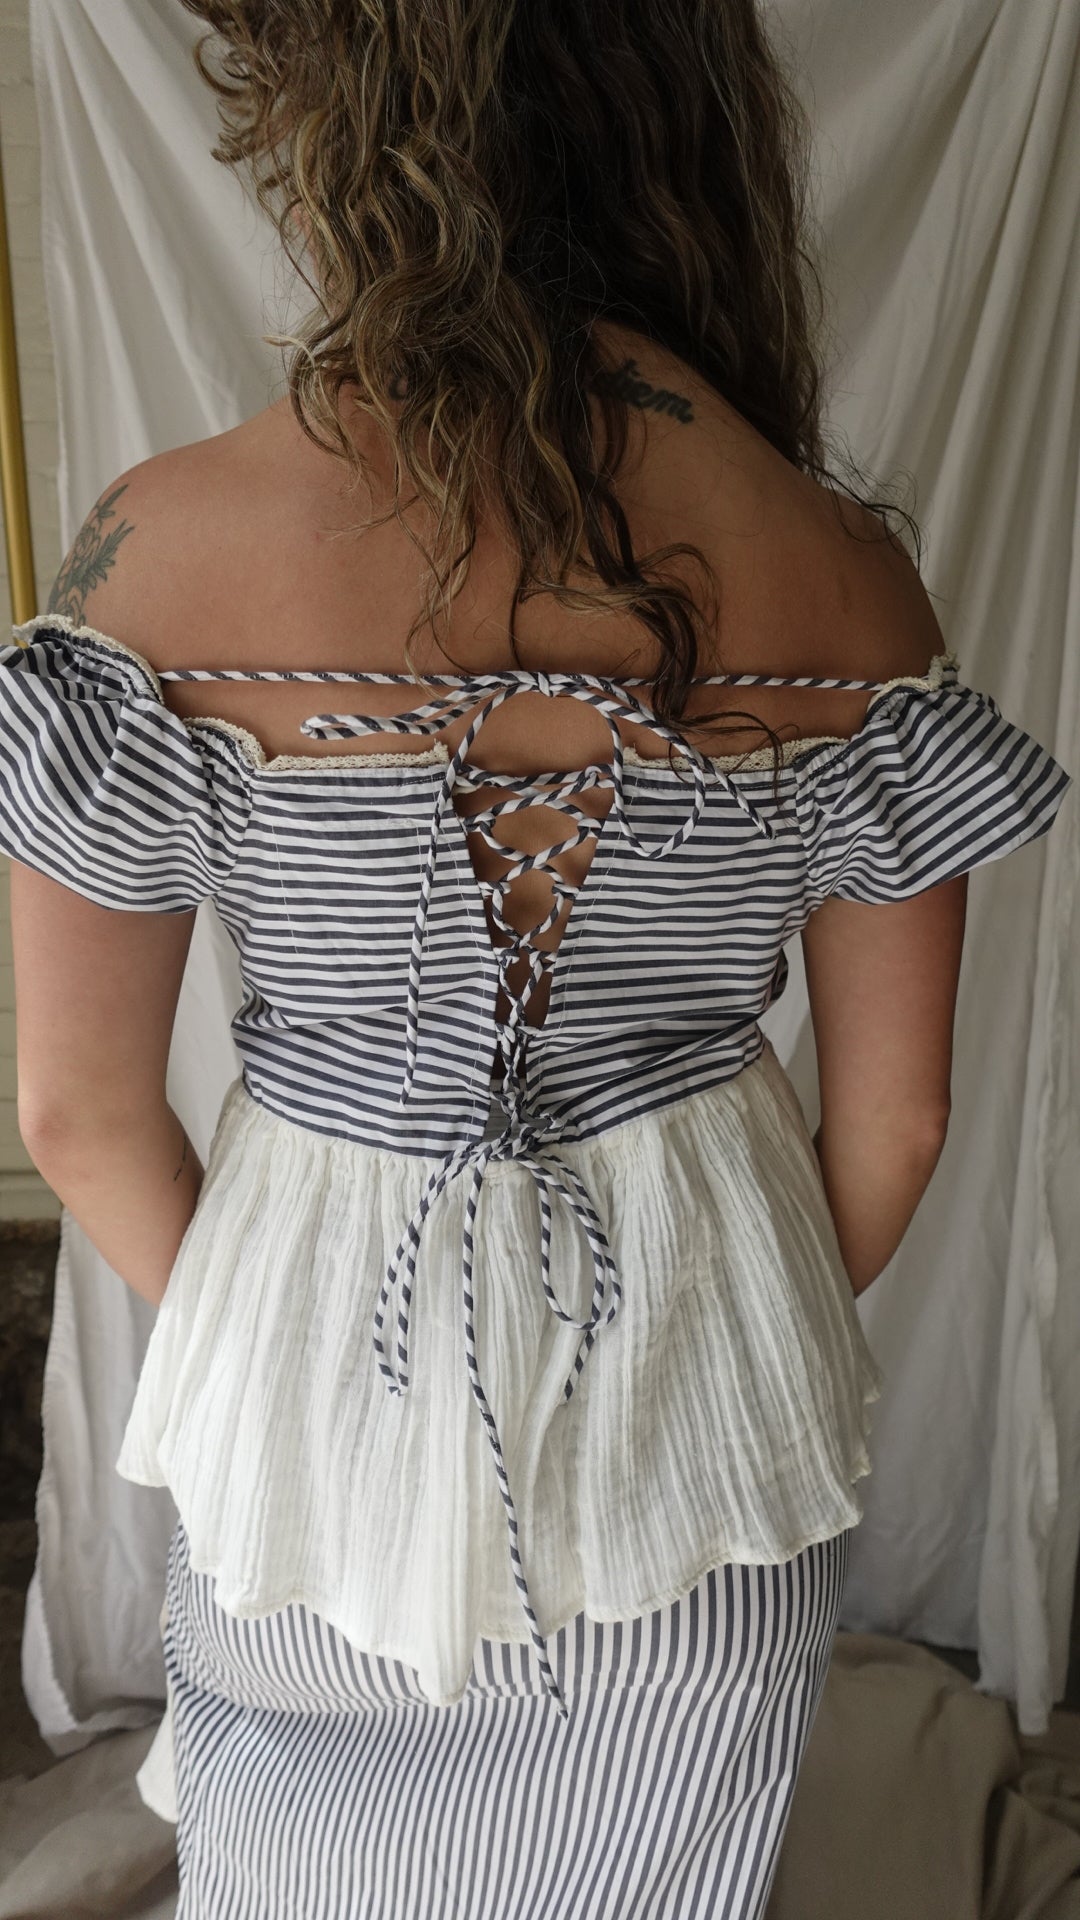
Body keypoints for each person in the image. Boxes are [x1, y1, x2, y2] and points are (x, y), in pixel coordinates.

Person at [0, 2, 1070, 1915]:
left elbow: (75, 1113)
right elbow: (895, 1126)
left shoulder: (162, 545)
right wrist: (686, 1357)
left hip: (316, 1405)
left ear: (347, 142)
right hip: (692, 1411)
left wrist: (289, 1357)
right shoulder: (842, 573)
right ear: (696, 144)